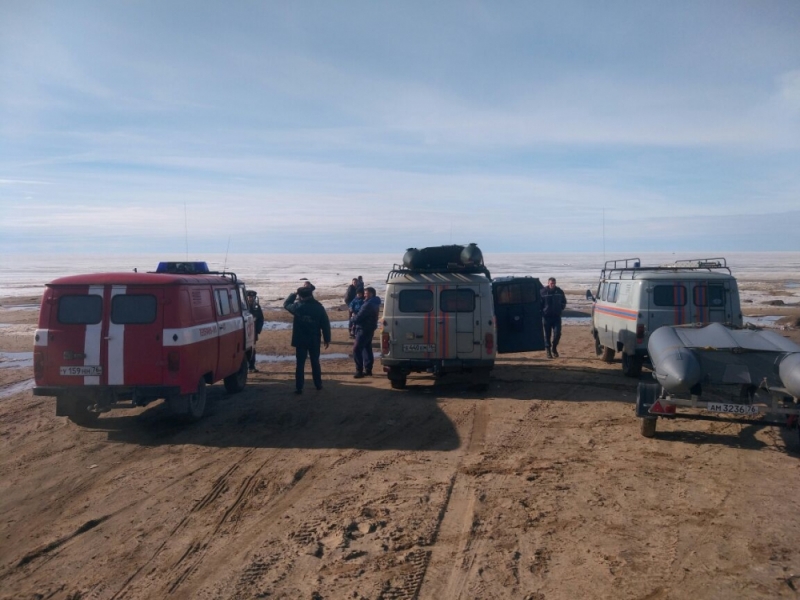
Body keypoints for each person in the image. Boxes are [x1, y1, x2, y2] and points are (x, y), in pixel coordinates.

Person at [283, 285, 331, 394]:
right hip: (314, 339)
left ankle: (299, 387)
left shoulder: (298, 307)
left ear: (300, 296)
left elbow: (286, 304)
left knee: (300, 364)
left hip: (300, 340)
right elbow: (325, 324)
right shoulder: (319, 307)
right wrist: (327, 338)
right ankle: (318, 385)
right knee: (315, 362)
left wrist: (293, 294)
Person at [352, 286, 381, 378]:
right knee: (367, 348)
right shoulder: (374, 303)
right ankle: (368, 369)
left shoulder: (368, 304)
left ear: (372, 294)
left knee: (356, 349)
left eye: (366, 293)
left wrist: (353, 318)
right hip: (370, 328)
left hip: (364, 328)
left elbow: (359, 317)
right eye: (364, 293)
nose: (364, 295)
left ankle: (359, 371)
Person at [541, 277, 567, 359]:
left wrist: (561, 308)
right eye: (551, 283)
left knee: (557, 334)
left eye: (554, 283)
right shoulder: (543, 292)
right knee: (547, 335)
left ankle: (554, 347)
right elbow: (539, 303)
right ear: (548, 283)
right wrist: (542, 312)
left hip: (556, 316)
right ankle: (548, 351)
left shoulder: (559, 291)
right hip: (546, 317)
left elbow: (564, 301)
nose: (552, 285)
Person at [245, 290, 265, 372]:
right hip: (244, 332)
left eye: (252, 297)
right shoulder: (242, 306)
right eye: (249, 297)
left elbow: (261, 319)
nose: (251, 299)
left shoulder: (256, 307)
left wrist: (257, 330)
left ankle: (251, 366)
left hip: (253, 332)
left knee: (252, 349)